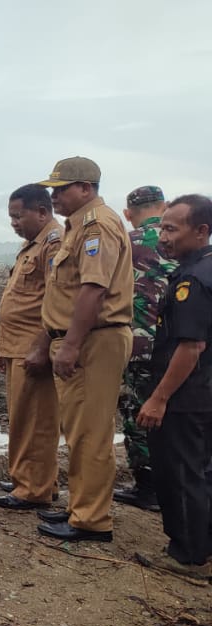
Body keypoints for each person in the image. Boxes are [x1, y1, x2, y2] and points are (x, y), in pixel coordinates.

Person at [30, 157, 133, 542]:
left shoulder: (97, 226)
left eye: (62, 189)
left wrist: (70, 345)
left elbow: (93, 289)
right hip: (84, 338)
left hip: (95, 339)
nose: (54, 196)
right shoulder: (78, 227)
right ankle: (81, 508)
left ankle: (91, 519)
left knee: (90, 433)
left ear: (86, 188)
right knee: (79, 431)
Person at [138, 194, 212, 581]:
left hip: (186, 395)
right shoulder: (203, 268)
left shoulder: (192, 280)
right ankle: (203, 545)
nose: (163, 237)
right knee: (201, 471)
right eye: (162, 227)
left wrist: (159, 397)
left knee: (180, 474)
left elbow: (190, 346)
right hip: (204, 392)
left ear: (201, 231)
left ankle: (188, 555)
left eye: (171, 228)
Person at [0, 185, 62, 510]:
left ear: (42, 212)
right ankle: (34, 479)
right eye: (11, 217)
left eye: (18, 216)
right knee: (22, 417)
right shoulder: (32, 246)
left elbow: (57, 299)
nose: (14, 223)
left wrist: (41, 346)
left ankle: (33, 488)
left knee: (35, 420)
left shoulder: (53, 243)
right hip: (17, 346)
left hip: (34, 346)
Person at [114, 185, 175, 511]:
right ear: (164, 206)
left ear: (128, 214)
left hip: (139, 345)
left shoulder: (127, 242)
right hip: (183, 345)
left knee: (139, 413)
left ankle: (148, 487)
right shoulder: (182, 242)